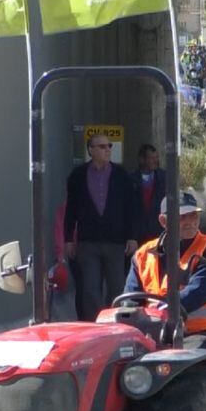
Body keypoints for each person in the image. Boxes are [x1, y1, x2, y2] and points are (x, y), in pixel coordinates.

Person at [124, 193, 206, 353]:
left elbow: (201, 289)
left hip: (203, 333)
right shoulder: (142, 254)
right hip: (154, 334)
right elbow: (132, 299)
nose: (190, 222)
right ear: (163, 221)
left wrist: (165, 309)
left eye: (194, 215)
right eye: (182, 217)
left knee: (191, 364)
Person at [65, 134, 139, 321]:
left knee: (116, 286)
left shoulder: (121, 175)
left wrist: (132, 236)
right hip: (87, 242)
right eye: (102, 146)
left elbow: (130, 208)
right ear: (91, 150)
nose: (107, 150)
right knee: (90, 288)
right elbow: (71, 209)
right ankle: (94, 325)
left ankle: (115, 324)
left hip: (115, 242)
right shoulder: (78, 176)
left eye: (109, 146)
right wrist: (68, 240)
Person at [131, 144, 166, 244]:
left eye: (157, 157)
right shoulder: (130, 179)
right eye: (151, 158)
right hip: (139, 234)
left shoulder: (164, 178)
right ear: (141, 160)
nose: (156, 161)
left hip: (158, 232)